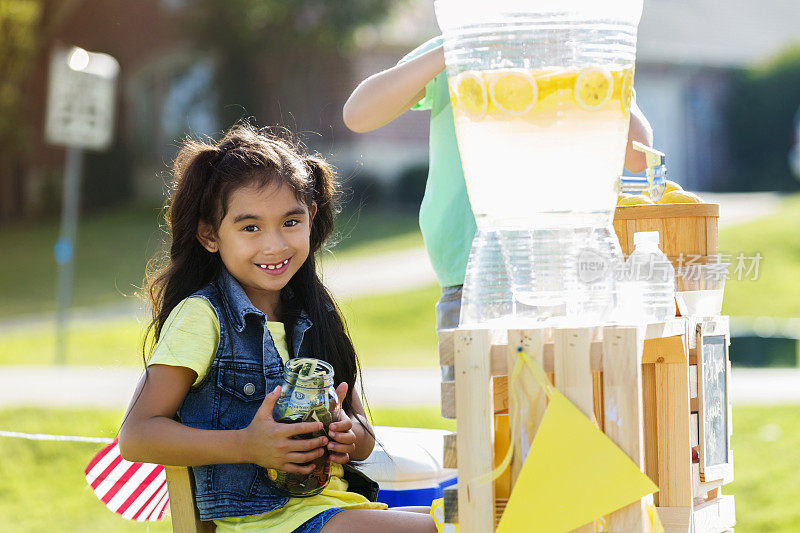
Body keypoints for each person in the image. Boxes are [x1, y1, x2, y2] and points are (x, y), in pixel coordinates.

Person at [118, 123, 437, 533]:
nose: (275, 245)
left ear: (311, 218)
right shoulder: (203, 317)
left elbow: (364, 440)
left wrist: (346, 434)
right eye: (250, 227)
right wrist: (248, 445)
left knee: (486, 513)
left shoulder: (316, 315)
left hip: (339, 509)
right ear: (210, 236)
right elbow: (137, 436)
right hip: (267, 523)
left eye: (290, 221)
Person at [343, 36, 654, 336]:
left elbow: (640, 156)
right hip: (471, 274)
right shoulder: (457, 47)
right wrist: (453, 46)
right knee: (476, 388)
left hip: (564, 275)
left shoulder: (579, 52)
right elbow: (359, 114)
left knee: (567, 388)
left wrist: (590, 62)